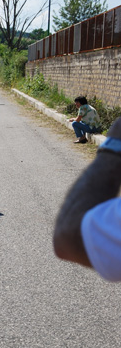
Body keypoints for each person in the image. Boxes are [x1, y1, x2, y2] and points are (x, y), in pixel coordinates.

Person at [53, 116, 121, 282]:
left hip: (92, 128)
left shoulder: (84, 109)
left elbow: (68, 239)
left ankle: (81, 137)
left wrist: (114, 146)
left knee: (76, 123)